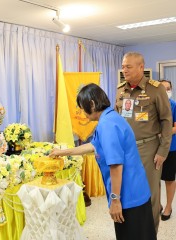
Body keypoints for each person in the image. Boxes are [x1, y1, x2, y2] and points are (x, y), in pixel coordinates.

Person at [50, 83, 156, 240]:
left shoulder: (106, 125)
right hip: (137, 190)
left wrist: (115, 200)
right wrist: (63, 152)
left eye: (82, 107)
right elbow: (94, 145)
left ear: (92, 104)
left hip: (128, 196)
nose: (82, 112)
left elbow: (116, 165)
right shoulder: (110, 117)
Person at [115, 52, 172, 232]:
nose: (124, 70)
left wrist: (163, 151)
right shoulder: (121, 89)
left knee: (150, 195)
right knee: (127, 190)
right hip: (125, 149)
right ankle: (132, 230)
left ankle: (150, 233)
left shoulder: (156, 89)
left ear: (141, 67)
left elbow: (166, 120)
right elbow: (116, 119)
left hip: (148, 149)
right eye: (123, 66)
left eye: (128, 67)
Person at [159, 80, 176, 221]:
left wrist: (162, 132)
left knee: (169, 179)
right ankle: (157, 205)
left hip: (171, 147)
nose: (166, 91)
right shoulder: (152, 105)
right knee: (154, 179)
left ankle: (168, 206)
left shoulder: (174, 105)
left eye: (168, 88)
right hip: (154, 148)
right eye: (163, 88)